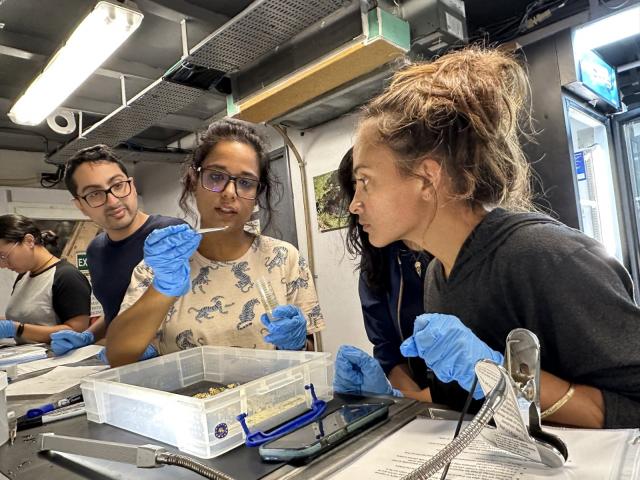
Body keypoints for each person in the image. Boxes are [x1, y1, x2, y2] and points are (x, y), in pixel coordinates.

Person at [335, 46, 640, 429]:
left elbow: (631, 404)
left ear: (427, 179)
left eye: (365, 182)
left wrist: (501, 375)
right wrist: (392, 398)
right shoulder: (437, 276)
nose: (354, 204)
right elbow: (466, 403)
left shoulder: (549, 258)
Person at [106, 119, 325, 367]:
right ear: (193, 181)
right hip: (194, 403)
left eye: (245, 182)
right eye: (216, 177)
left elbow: (310, 353)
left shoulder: (285, 259)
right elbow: (118, 357)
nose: (229, 192)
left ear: (256, 195)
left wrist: (296, 344)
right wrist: (161, 289)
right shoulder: (159, 269)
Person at [49, 144, 183, 357]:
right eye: (94, 194)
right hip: (124, 362)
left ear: (132, 185)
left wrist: (154, 347)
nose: (112, 201)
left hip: (176, 364)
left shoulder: (169, 234)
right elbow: (115, 310)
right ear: (80, 205)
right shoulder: (96, 250)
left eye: (118, 185)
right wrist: (89, 336)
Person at [336, 148, 433, 402]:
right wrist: (409, 397)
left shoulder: (458, 255)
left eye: (366, 184)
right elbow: (388, 351)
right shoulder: (377, 264)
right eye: (354, 188)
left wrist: (425, 399)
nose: (354, 206)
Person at [0, 214, 91, 343]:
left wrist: (17, 329)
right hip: (28, 359)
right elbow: (29, 322)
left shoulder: (67, 277)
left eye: (3, 256)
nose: (2, 265)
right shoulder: (23, 277)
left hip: (57, 360)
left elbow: (77, 332)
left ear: (29, 241)